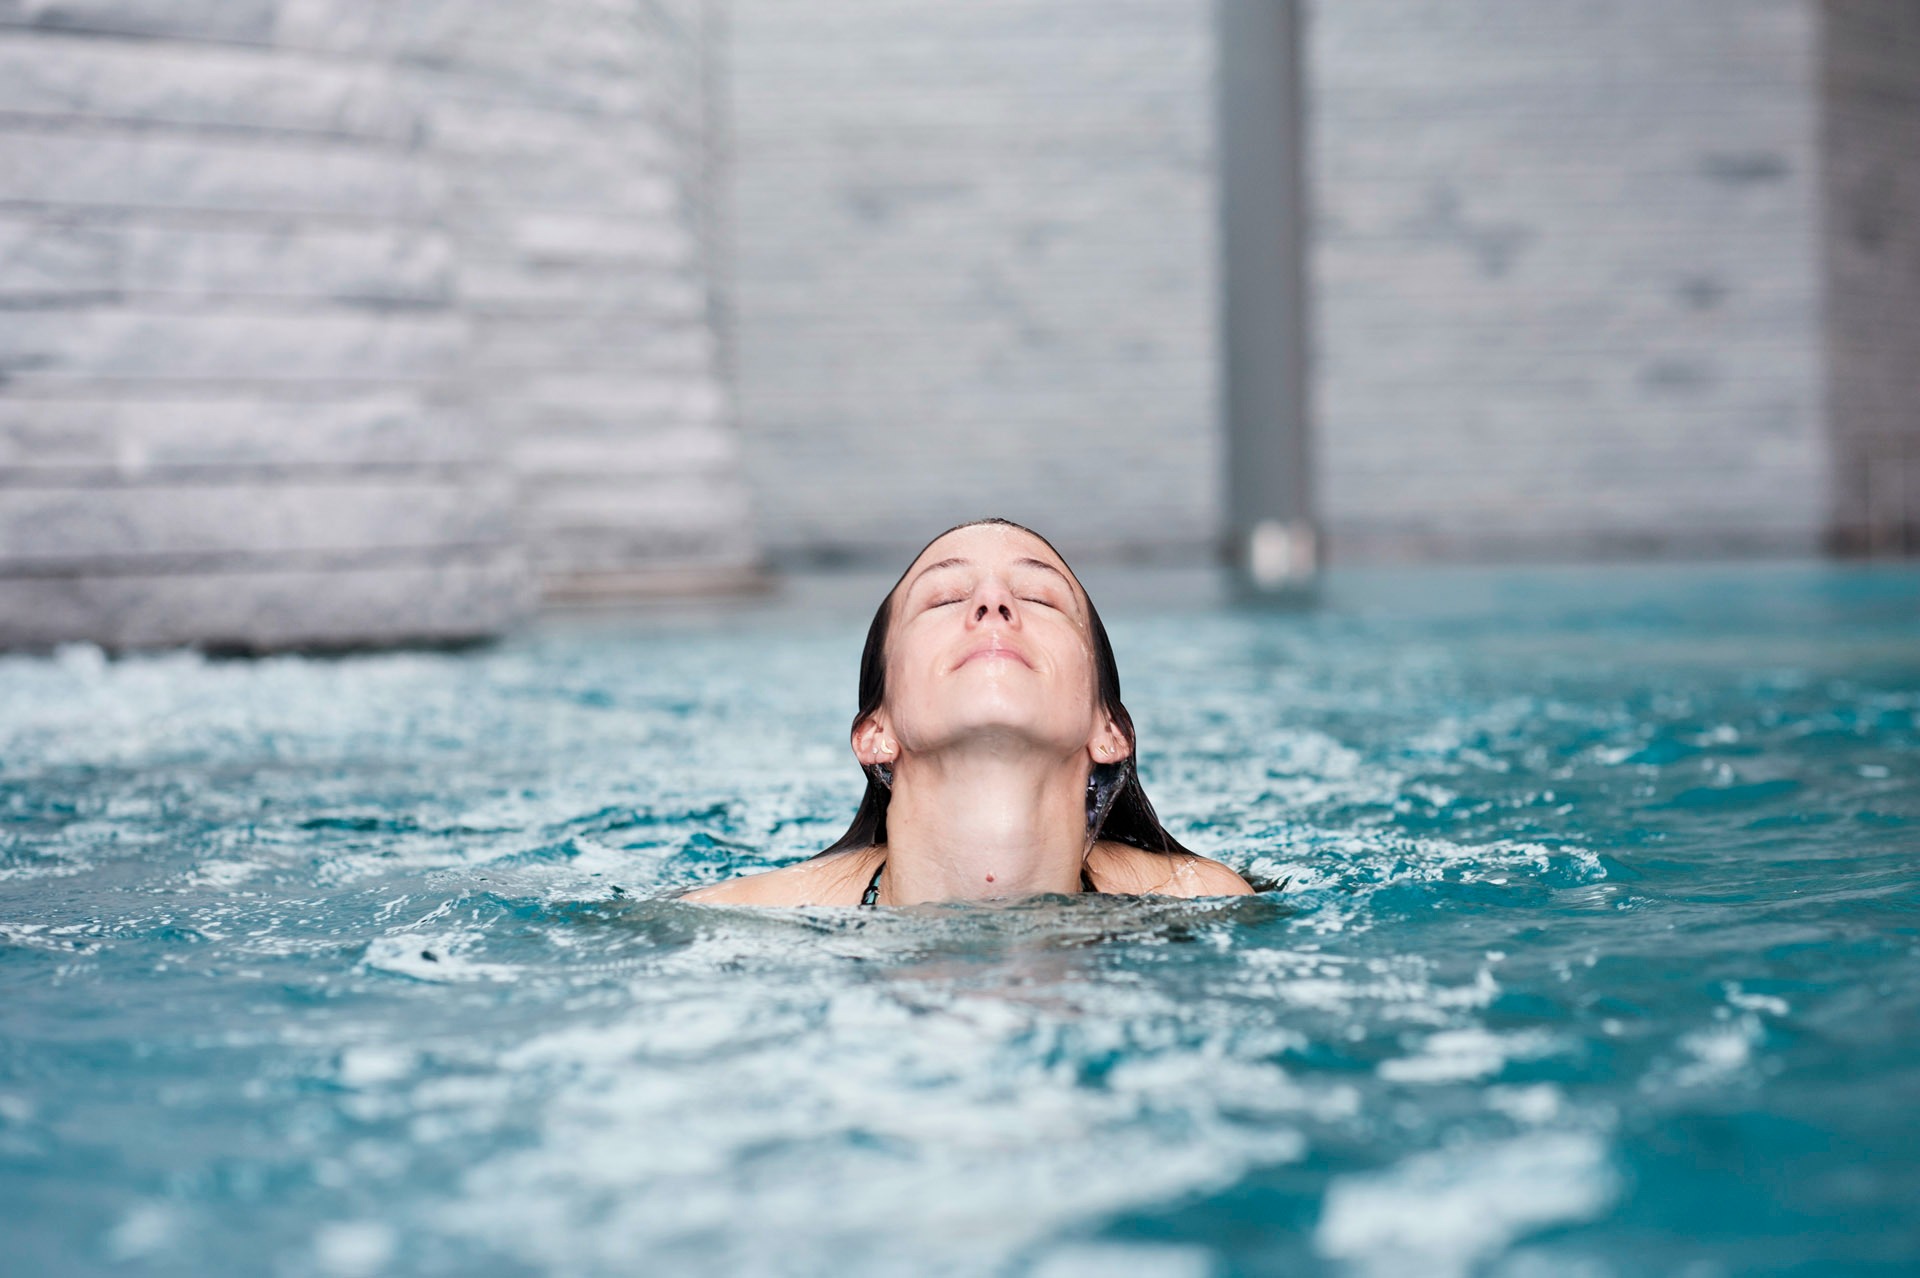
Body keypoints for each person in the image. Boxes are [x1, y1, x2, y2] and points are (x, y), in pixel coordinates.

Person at [679, 518, 1256, 907]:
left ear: (1109, 731)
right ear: (875, 732)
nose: (993, 603)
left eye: (1038, 596)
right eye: (945, 598)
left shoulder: (1204, 902)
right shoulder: (732, 920)